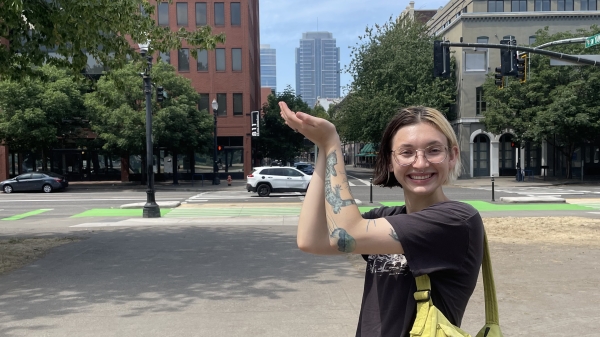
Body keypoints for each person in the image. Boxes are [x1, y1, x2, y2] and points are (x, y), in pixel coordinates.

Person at [279, 102, 484, 337]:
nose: (420, 162)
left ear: (452, 156)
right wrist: (323, 150)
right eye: (406, 152)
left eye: (433, 150)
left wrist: (332, 143)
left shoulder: (457, 221)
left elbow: (346, 235)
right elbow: (311, 240)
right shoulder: (387, 217)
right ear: (389, 160)